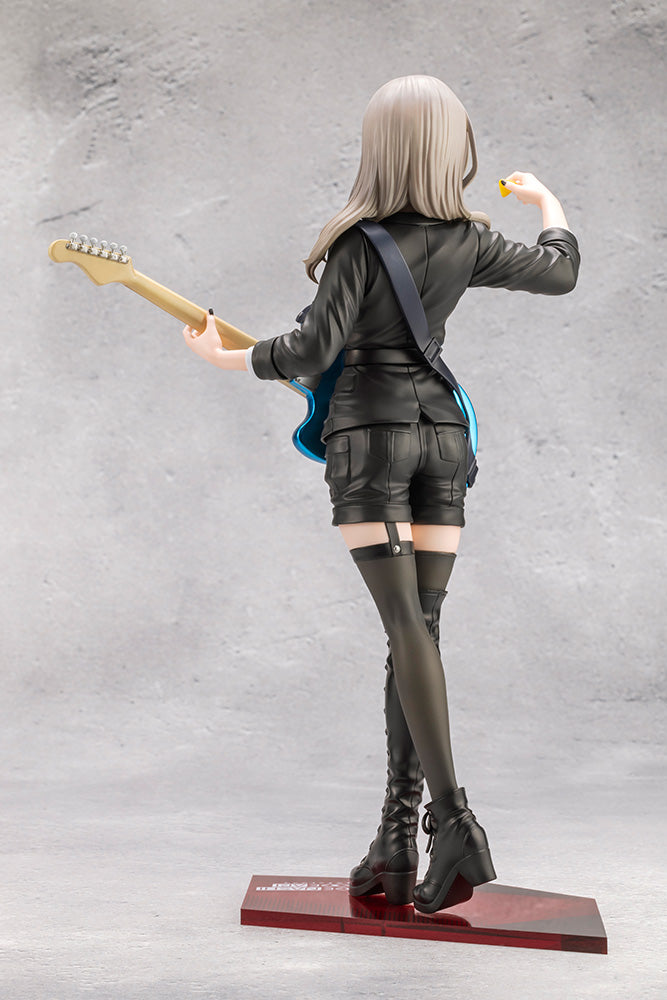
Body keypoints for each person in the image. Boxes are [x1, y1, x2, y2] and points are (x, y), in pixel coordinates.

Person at [182, 75, 580, 914]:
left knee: (406, 629)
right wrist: (546, 200)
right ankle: (395, 843)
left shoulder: (357, 245)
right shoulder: (468, 240)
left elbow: (309, 349)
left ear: (380, 150)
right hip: (445, 440)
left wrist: (226, 357)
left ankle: (455, 821)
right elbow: (560, 272)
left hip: (372, 441)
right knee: (417, 632)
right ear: (450, 149)